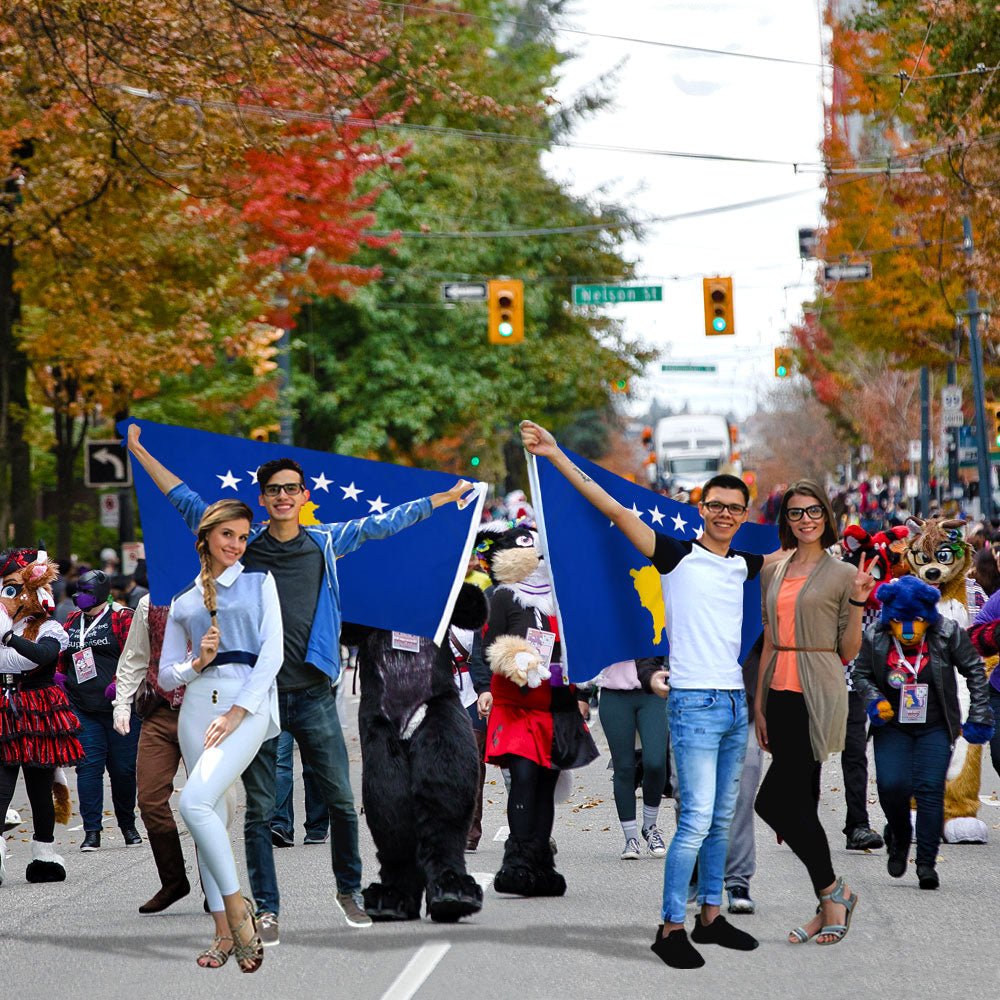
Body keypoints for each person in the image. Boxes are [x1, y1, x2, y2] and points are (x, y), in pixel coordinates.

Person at [127, 423, 473, 942]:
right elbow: (186, 500)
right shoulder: (244, 547)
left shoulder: (325, 543)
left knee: (338, 799)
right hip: (257, 699)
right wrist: (138, 451)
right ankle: (266, 908)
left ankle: (349, 891)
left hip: (313, 694)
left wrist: (442, 499)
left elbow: (384, 523)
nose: (284, 496)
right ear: (262, 500)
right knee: (261, 811)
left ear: (304, 496)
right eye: (274, 491)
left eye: (292, 488)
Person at [520, 419, 766, 970]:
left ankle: (710, 917)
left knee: (721, 818)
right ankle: (669, 926)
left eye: (734, 507)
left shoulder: (745, 565)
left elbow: (804, 555)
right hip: (694, 703)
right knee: (697, 819)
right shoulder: (675, 556)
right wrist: (558, 455)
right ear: (702, 508)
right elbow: (612, 508)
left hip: (733, 704)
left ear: (744, 515)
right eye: (716, 505)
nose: (725, 513)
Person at [159, 499, 281, 972]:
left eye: (243, 536)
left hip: (245, 706)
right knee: (209, 815)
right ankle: (221, 935)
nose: (236, 544)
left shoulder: (259, 582)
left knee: (192, 802)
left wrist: (236, 712)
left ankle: (237, 915)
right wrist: (197, 663)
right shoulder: (185, 601)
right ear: (207, 536)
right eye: (227, 534)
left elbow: (272, 655)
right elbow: (167, 677)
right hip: (196, 710)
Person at [754, 480, 873, 946]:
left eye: (813, 512)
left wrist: (860, 602)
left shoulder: (843, 573)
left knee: (771, 802)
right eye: (796, 513)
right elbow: (768, 637)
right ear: (786, 520)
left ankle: (833, 892)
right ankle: (829, 901)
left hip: (817, 690)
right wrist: (760, 704)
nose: (805, 520)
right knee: (798, 804)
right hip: (777, 691)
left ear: (827, 516)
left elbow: (846, 649)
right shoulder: (773, 569)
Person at [855, 575, 993, 889]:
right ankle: (900, 835)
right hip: (892, 726)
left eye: (916, 620)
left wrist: (980, 713)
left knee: (930, 790)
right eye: (900, 621)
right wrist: (875, 701)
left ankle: (927, 864)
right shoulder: (875, 635)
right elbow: (862, 675)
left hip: (935, 726)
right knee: (892, 786)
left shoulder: (947, 632)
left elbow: (974, 668)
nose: (908, 629)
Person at [0, 547, 81, 885]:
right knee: (2, 788)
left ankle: (44, 854)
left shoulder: (49, 628)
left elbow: (41, 657)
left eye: (16, 588)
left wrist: (7, 639)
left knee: (39, 787)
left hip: (37, 710)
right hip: (4, 708)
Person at [112, 595, 192, 913]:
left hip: (204, 712)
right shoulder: (149, 603)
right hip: (159, 712)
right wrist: (121, 703)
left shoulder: (221, 592)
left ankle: (216, 884)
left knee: (206, 801)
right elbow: (134, 658)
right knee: (149, 799)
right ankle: (173, 880)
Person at [60, 570, 141, 851]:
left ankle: (128, 826)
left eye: (85, 590)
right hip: (83, 707)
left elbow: (137, 656)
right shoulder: (72, 620)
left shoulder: (123, 617)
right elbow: (63, 654)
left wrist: (120, 684)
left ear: (100, 591)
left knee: (123, 771)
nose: (78, 595)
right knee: (88, 769)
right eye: (78, 590)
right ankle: (92, 831)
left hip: (121, 707)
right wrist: (59, 677)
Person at [595, 658, 668, 861]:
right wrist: (583, 695)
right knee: (624, 767)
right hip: (614, 693)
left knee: (656, 761)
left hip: (651, 692)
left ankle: (650, 827)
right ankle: (630, 838)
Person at [270, 729, 329, 847]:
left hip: (312, 711)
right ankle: (281, 825)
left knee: (312, 764)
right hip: (282, 711)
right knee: (280, 762)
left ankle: (317, 828)